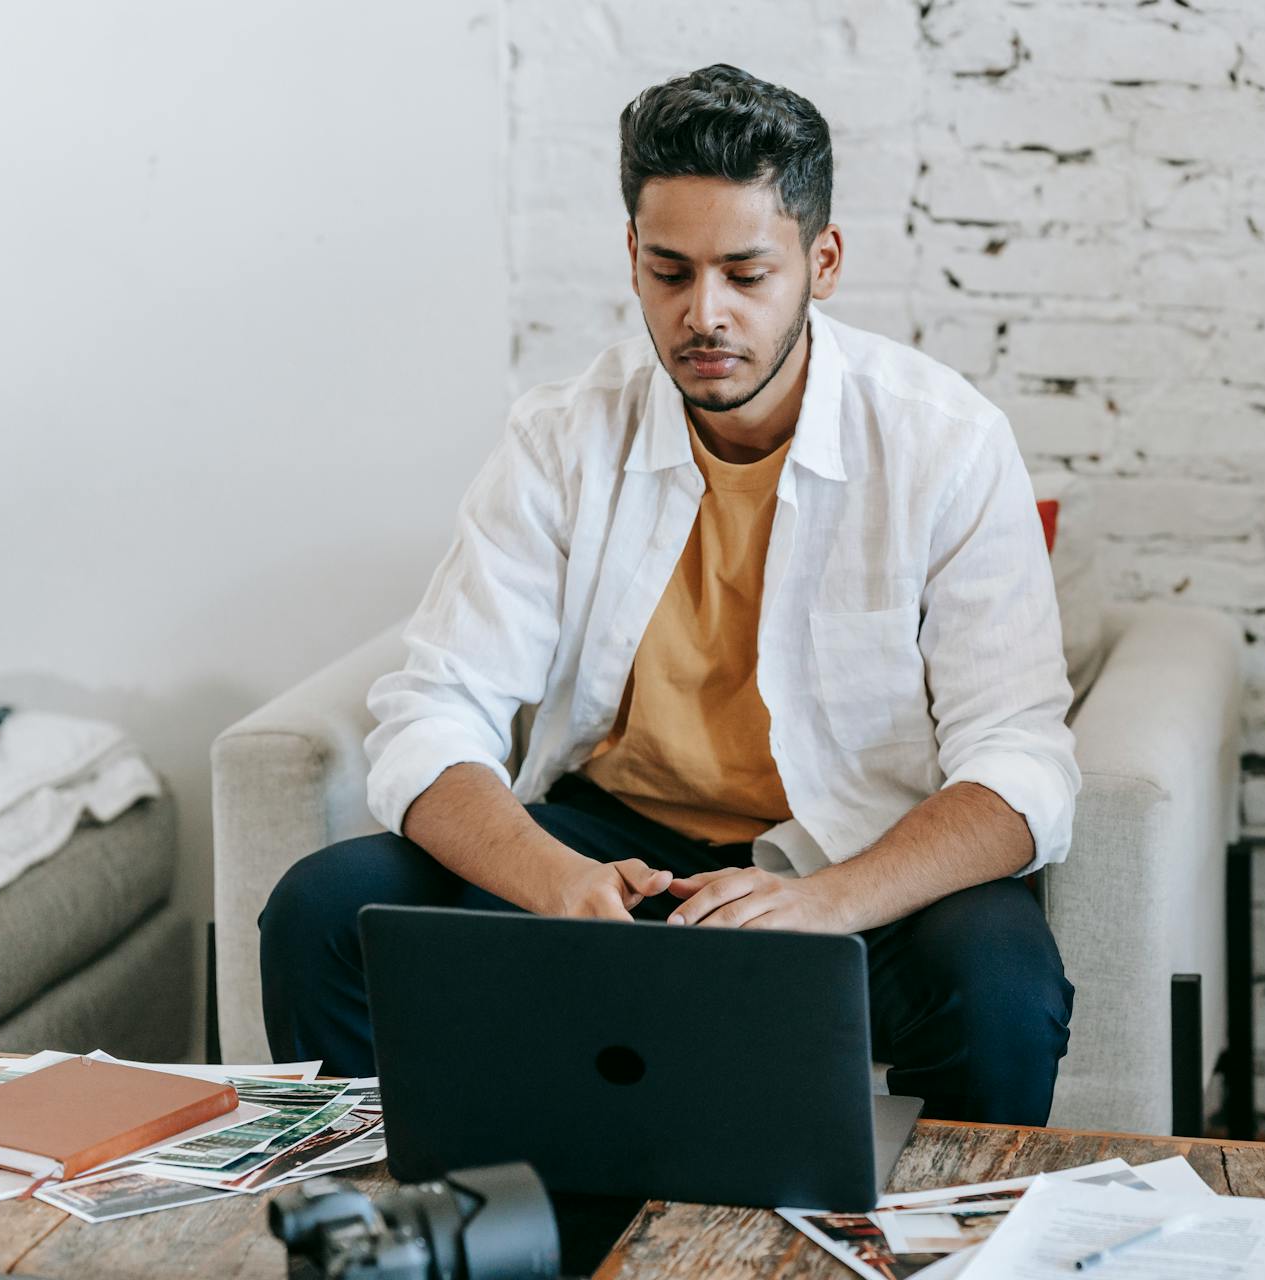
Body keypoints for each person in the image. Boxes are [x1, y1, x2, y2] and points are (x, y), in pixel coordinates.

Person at [259, 63, 1080, 1126]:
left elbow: (1021, 762)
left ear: (821, 261)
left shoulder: (944, 441)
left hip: (852, 863)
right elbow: (431, 714)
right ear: (633, 261)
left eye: (747, 273)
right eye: (671, 271)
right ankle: (433, 1226)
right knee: (324, 912)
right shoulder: (560, 437)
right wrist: (559, 882)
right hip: (620, 854)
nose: (706, 313)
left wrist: (822, 904)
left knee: (1004, 986)